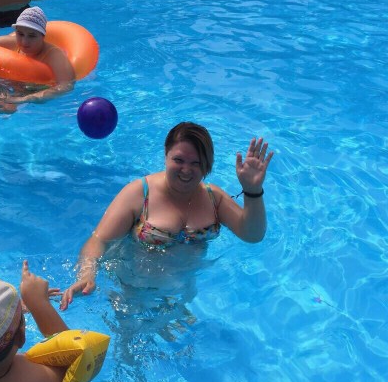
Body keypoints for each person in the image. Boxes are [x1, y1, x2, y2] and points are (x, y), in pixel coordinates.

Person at [60, 122, 273, 309]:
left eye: (196, 163)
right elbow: (99, 240)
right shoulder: (139, 193)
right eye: (178, 160)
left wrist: (252, 190)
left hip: (181, 294)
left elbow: (252, 235)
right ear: (166, 155)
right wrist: (86, 275)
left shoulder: (213, 198)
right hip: (131, 295)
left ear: (208, 163)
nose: (186, 170)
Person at [0, 6, 75, 101]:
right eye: (20, 34)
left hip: (36, 89)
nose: (24, 42)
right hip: (8, 84)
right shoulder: (12, 42)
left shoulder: (54, 55)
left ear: (42, 36)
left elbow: (66, 86)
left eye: (32, 36)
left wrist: (25, 99)